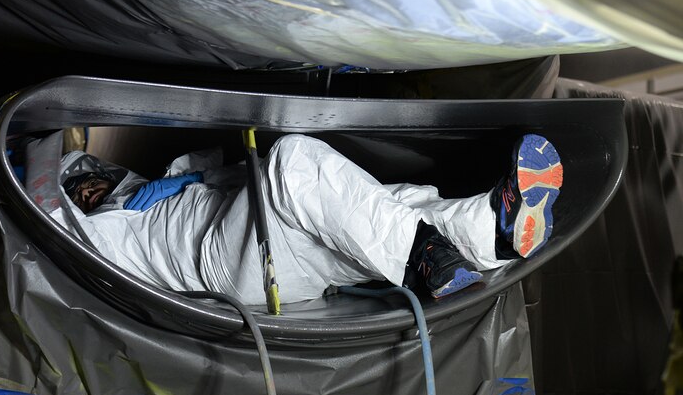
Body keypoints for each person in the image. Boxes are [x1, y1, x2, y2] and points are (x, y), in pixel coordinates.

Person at [56, 134, 563, 305]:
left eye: (92, 181)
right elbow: (52, 226)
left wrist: (194, 177)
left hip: (282, 257)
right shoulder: (102, 233)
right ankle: (424, 250)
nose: (91, 190)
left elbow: (234, 178)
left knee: (383, 205)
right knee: (293, 160)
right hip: (217, 264)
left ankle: (494, 235)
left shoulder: (151, 186)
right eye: (82, 193)